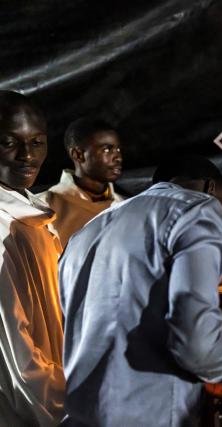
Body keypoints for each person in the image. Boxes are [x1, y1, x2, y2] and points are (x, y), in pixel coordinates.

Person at [59, 155, 222, 426]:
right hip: (149, 413)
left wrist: (201, 373)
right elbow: (196, 342)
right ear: (211, 189)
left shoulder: (87, 232)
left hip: (82, 413)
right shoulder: (198, 211)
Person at [0, 90, 65, 426]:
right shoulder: (4, 228)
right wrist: (66, 404)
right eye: (9, 142)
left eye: (37, 142)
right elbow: (16, 355)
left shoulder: (31, 213)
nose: (27, 155)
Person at [39, 116, 124, 247]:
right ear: (78, 154)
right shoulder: (43, 208)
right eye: (107, 149)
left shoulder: (125, 205)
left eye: (118, 149)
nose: (118, 157)